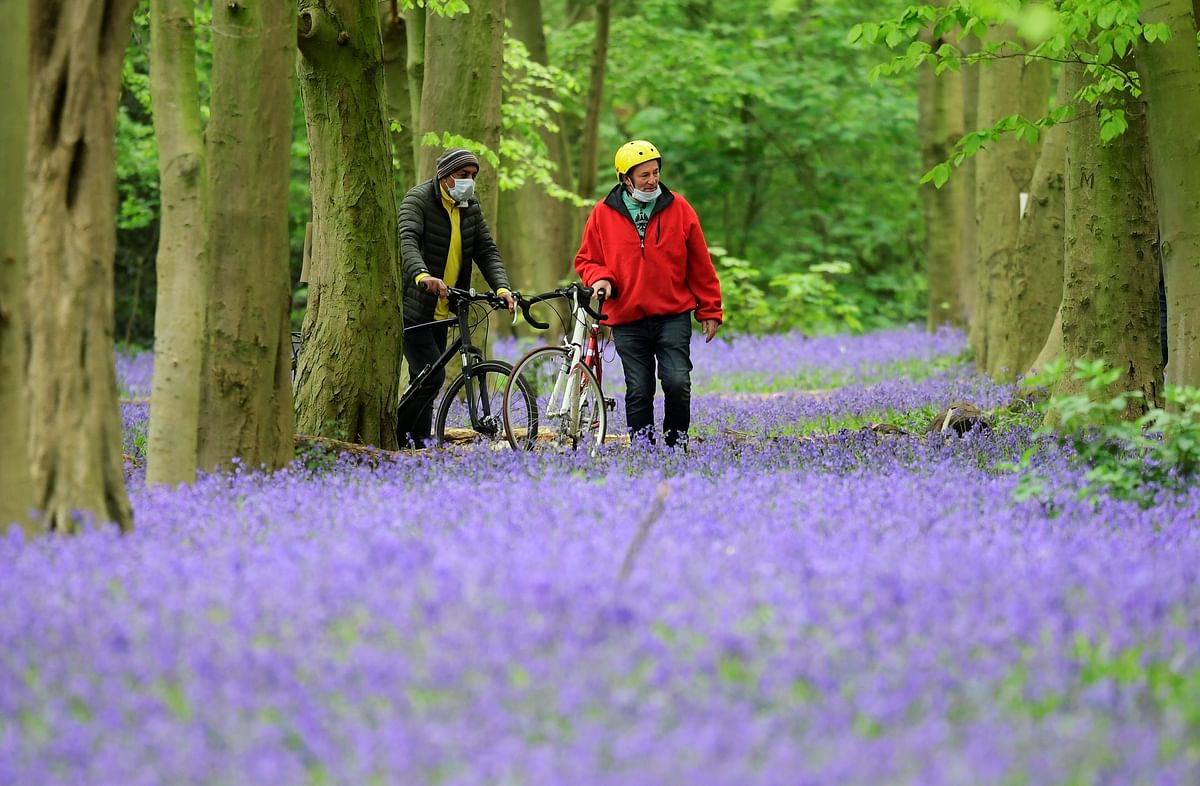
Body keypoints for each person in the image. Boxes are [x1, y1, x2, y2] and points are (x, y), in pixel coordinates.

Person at [574, 139, 723, 448]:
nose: (653, 179)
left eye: (655, 172)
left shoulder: (678, 207)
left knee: (677, 382)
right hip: (627, 317)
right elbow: (587, 259)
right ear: (625, 178)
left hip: (673, 315)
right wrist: (600, 278)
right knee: (639, 389)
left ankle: (675, 445)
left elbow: (700, 263)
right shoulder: (603, 213)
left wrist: (710, 309)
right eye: (644, 175)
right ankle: (643, 449)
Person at [396, 147, 515, 447]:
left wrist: (502, 287)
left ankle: (417, 444)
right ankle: (397, 436)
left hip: (445, 308)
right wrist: (422, 276)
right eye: (464, 176)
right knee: (431, 378)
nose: (470, 182)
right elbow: (406, 240)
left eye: (473, 176)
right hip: (415, 307)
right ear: (444, 176)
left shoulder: (469, 205)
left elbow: (486, 250)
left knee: (425, 379)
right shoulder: (418, 200)